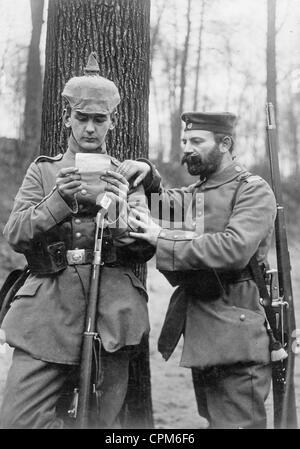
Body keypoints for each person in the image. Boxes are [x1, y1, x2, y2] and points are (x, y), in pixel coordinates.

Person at [0, 52, 154, 429]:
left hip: (112, 314)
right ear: (68, 117)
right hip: (48, 313)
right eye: (81, 118)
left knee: (100, 423)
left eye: (98, 120)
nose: (89, 129)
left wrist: (119, 211)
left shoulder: (126, 175)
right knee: (17, 419)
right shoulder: (44, 171)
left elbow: (145, 245)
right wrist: (57, 201)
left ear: (112, 123)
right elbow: (15, 233)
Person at [119, 111, 277, 429]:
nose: (187, 148)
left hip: (237, 335)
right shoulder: (197, 194)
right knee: (215, 420)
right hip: (205, 333)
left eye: (196, 141)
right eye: (184, 141)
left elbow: (233, 248)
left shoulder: (252, 190)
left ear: (225, 143)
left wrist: (161, 236)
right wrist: (147, 173)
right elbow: (161, 202)